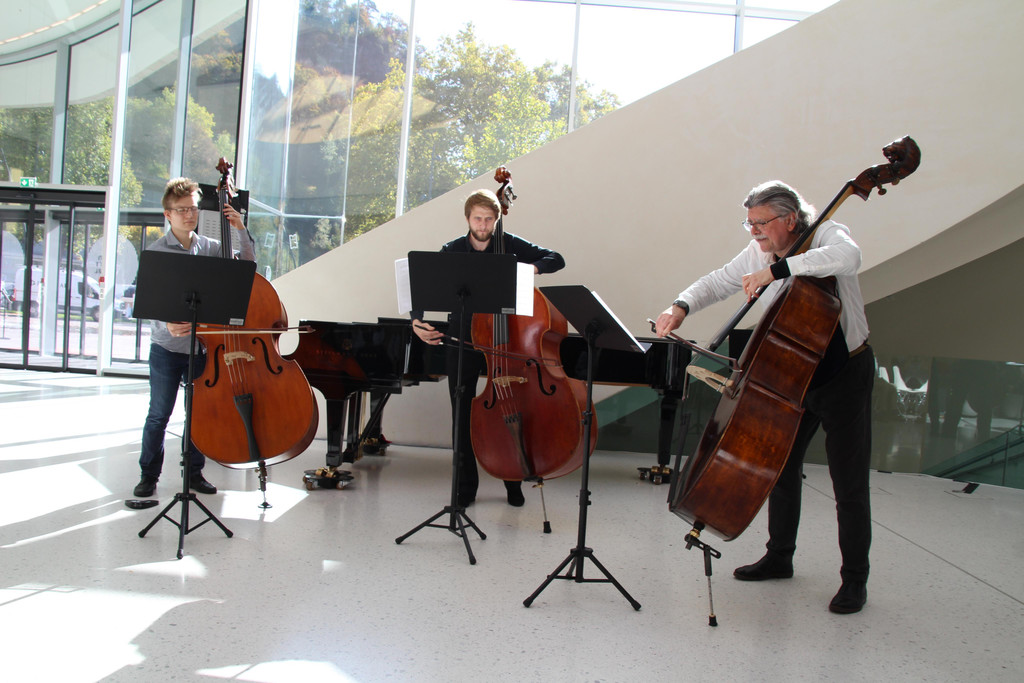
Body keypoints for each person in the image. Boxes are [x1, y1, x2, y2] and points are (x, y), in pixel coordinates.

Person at [654, 180, 874, 615]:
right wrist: (680, 306)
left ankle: (855, 579)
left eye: (760, 222)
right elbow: (719, 281)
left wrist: (778, 270)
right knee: (780, 468)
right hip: (792, 373)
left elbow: (850, 258)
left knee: (848, 481)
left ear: (790, 220)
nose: (753, 231)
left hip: (845, 374)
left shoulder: (827, 234)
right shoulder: (759, 250)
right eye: (749, 223)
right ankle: (779, 556)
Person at [411, 189, 565, 507]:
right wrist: (416, 320)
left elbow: (556, 259)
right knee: (462, 413)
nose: (483, 225)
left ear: (496, 219)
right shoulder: (452, 250)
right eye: (478, 218)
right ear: (467, 218)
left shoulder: (510, 244)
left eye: (489, 219)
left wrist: (530, 269)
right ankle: (465, 488)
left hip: (504, 338)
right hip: (464, 336)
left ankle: (513, 480)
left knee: (510, 406)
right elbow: (426, 288)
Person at [133, 177, 256, 498]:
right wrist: (166, 324)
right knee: (159, 414)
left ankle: (194, 473)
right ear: (168, 214)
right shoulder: (157, 252)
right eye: (181, 209)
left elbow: (247, 267)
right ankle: (148, 475)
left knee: (198, 416)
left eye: (193, 208)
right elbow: (147, 302)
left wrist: (240, 230)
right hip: (166, 349)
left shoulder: (211, 248)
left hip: (202, 350)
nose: (189, 215)